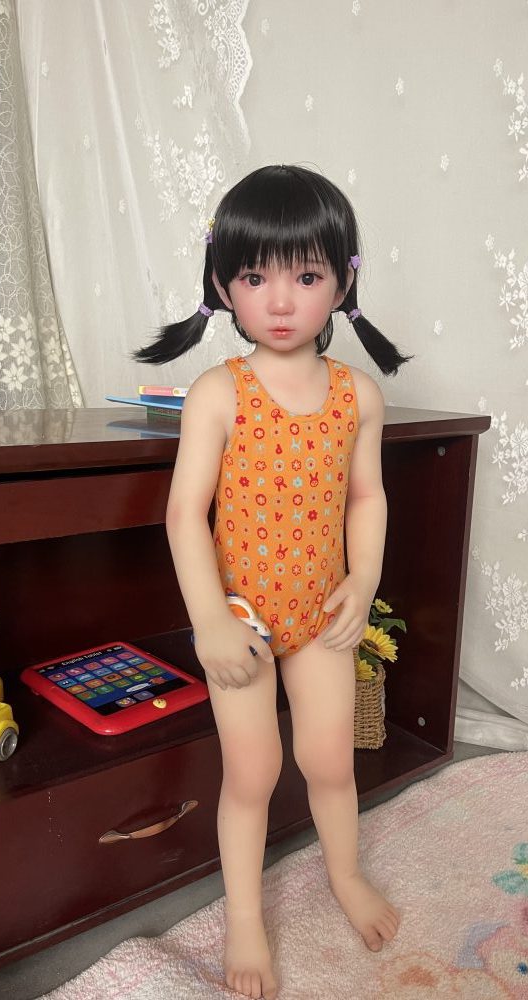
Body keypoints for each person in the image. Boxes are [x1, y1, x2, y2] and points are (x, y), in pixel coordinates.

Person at [136, 164, 412, 1000]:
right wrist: (210, 623)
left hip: (323, 610)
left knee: (329, 757)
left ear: (343, 282)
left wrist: (363, 579)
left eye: (307, 276)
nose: (281, 301)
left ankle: (345, 874)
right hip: (242, 617)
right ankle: (247, 919)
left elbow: (367, 496)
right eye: (256, 277)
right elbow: (185, 515)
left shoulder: (359, 396)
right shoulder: (218, 393)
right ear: (223, 284)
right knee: (252, 774)